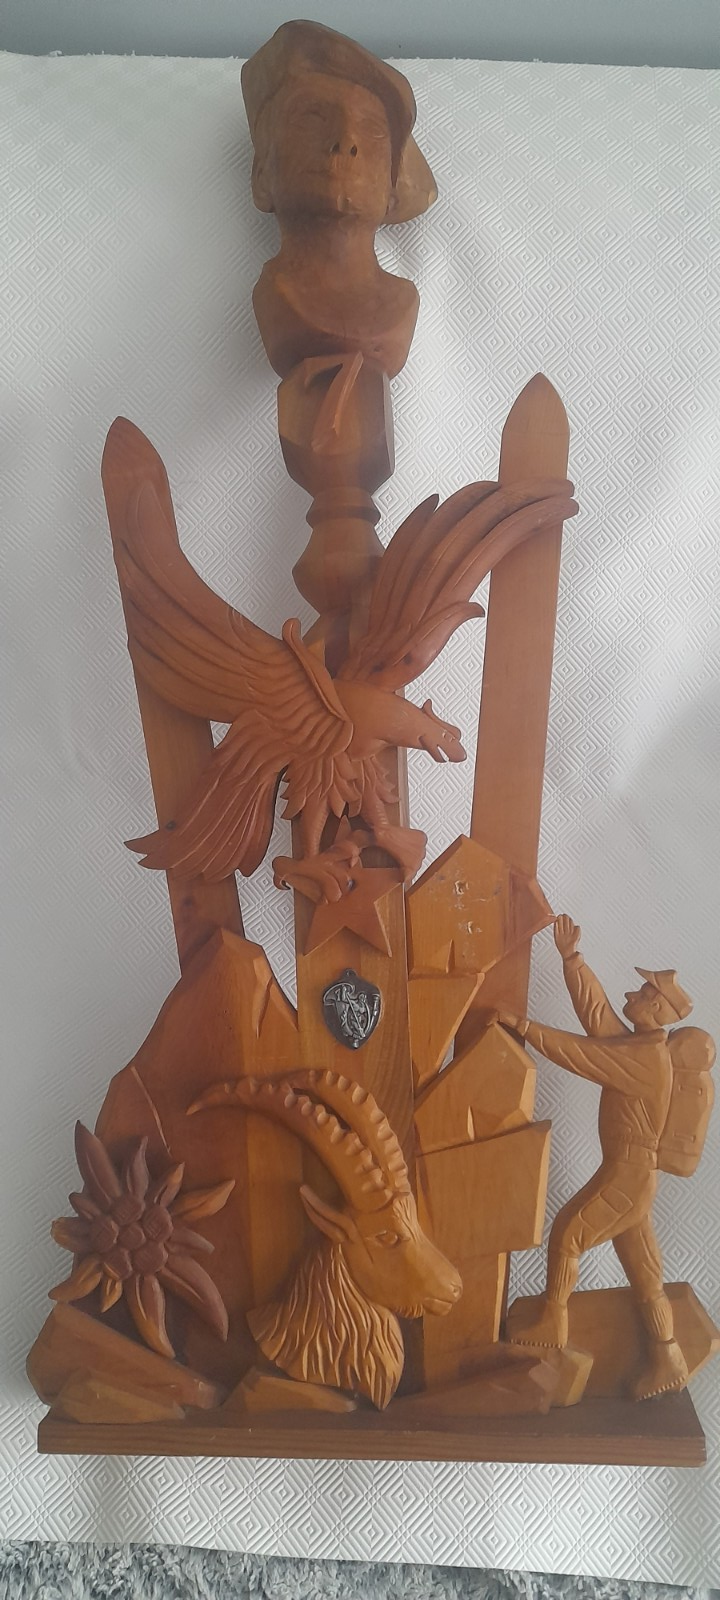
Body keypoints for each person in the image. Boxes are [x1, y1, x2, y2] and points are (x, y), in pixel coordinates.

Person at [497, 914, 701, 1399]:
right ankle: (668, 1356)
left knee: (568, 1234)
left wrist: (524, 1026)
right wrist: (572, 960)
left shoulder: (645, 1059)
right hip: (632, 1175)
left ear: (657, 1006)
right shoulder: (638, 1044)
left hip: (627, 1175)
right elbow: (596, 1016)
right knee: (645, 1276)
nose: (634, 993)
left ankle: (553, 1324)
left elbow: (583, 1054)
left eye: (643, 991)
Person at [241, 21, 436, 378]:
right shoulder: (278, 296)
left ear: (392, 190)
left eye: (372, 129)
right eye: (312, 118)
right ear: (261, 176)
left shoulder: (402, 301)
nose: (346, 140)